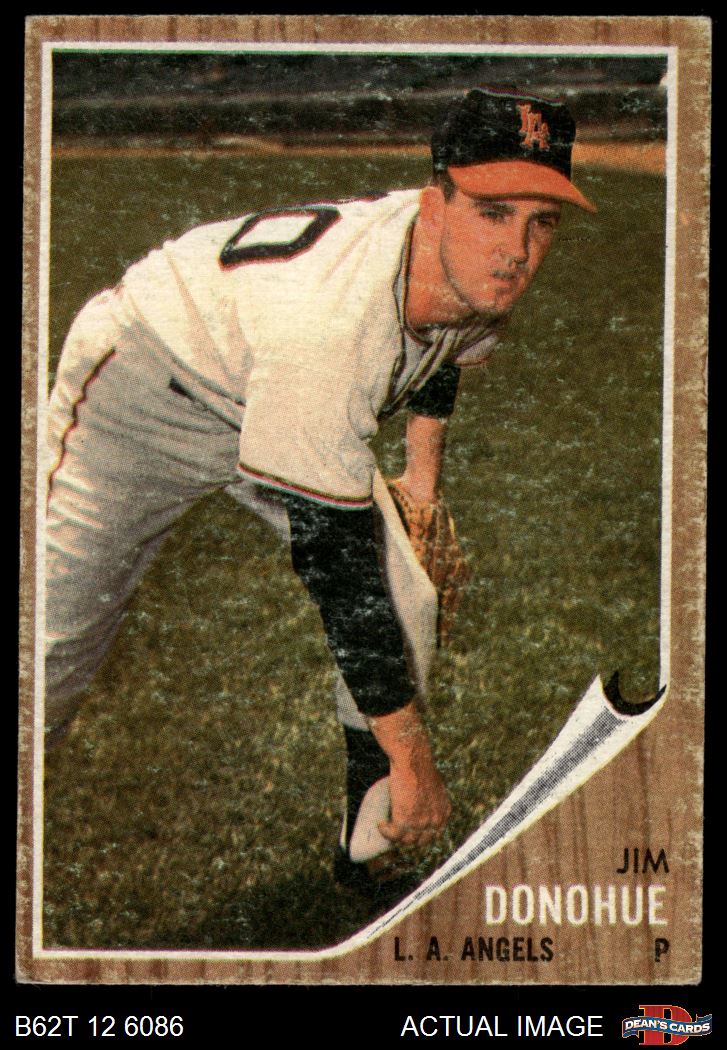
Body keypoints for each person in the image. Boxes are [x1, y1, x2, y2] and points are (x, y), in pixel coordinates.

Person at [44, 88, 595, 895]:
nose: (515, 248)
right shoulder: (334, 324)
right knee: (49, 647)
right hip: (145, 392)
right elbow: (334, 562)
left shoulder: (469, 270)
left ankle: (368, 850)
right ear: (433, 203)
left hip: (269, 383)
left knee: (407, 596)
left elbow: (446, 356)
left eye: (539, 221)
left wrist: (420, 486)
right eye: (492, 212)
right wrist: (413, 755)